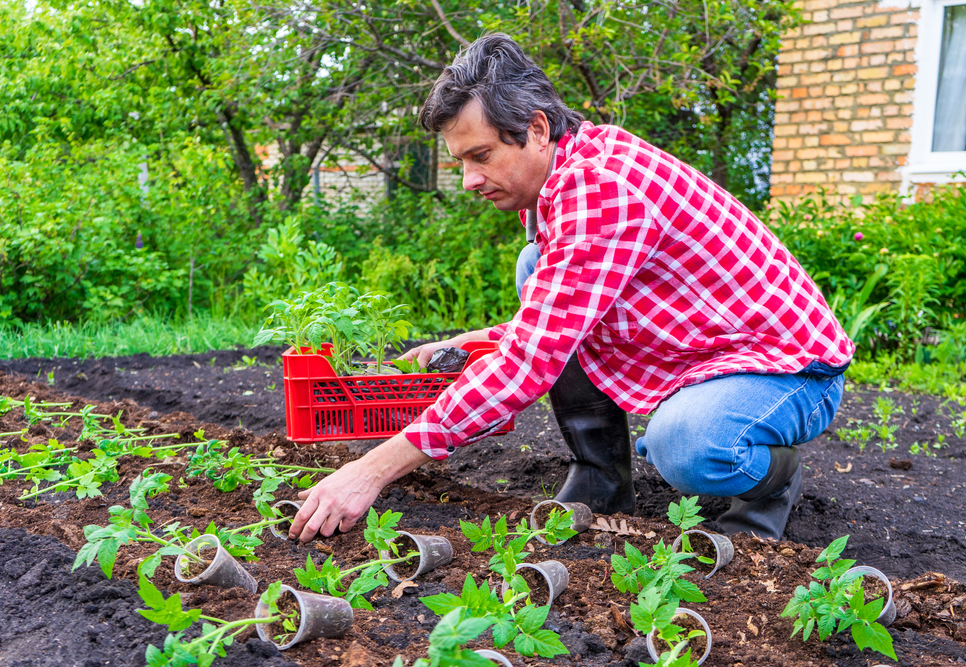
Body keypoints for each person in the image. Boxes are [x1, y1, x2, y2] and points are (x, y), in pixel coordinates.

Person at [287, 33, 854, 544]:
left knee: (683, 447)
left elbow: (529, 364)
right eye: (461, 162)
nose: (470, 181)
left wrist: (368, 472)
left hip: (785, 372)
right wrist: (482, 337)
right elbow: (563, 309)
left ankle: (767, 485)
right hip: (705, 351)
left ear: (535, 129)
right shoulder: (568, 170)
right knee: (536, 265)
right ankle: (601, 480)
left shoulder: (601, 189)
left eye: (481, 156)